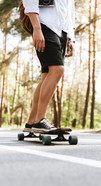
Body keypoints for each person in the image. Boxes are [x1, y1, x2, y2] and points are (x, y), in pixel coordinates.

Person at [22, 0, 75, 133]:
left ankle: (31, 123)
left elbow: (70, 9)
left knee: (47, 73)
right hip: (45, 24)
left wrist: (70, 38)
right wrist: (37, 28)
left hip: (62, 30)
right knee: (57, 69)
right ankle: (40, 120)